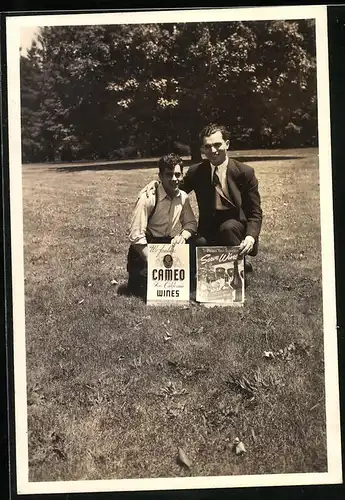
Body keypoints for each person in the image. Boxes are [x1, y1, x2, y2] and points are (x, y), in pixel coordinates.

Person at [144, 123, 263, 265]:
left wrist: (250, 237)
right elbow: (176, 188)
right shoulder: (197, 172)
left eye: (217, 145)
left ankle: (238, 266)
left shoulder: (245, 172)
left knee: (228, 228)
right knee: (196, 244)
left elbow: (255, 211)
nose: (213, 150)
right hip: (208, 226)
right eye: (207, 146)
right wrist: (157, 185)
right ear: (202, 149)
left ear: (227, 144)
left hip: (235, 224)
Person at [127, 153, 197, 296]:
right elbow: (136, 236)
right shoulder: (149, 197)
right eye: (169, 175)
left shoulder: (183, 197)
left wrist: (183, 236)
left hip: (166, 243)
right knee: (143, 290)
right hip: (145, 248)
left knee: (194, 243)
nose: (174, 179)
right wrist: (153, 262)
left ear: (182, 176)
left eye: (178, 175)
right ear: (160, 176)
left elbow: (191, 223)